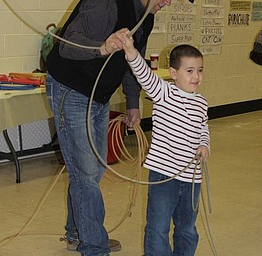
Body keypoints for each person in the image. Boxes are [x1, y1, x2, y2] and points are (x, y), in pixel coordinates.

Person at [45, 0, 171, 255]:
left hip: (98, 96)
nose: (168, 2)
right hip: (71, 90)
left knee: (93, 171)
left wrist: (132, 103)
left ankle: (77, 233)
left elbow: (132, 61)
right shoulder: (106, 3)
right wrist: (101, 48)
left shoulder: (146, 16)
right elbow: (69, 43)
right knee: (85, 175)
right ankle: (93, 246)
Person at [121, 32, 210, 255]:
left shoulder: (201, 102)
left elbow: (203, 128)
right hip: (163, 176)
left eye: (199, 70)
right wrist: (131, 50)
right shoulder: (164, 93)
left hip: (191, 178)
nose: (196, 76)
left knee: (187, 228)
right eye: (189, 71)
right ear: (173, 73)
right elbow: (144, 75)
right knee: (158, 228)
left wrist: (204, 145)